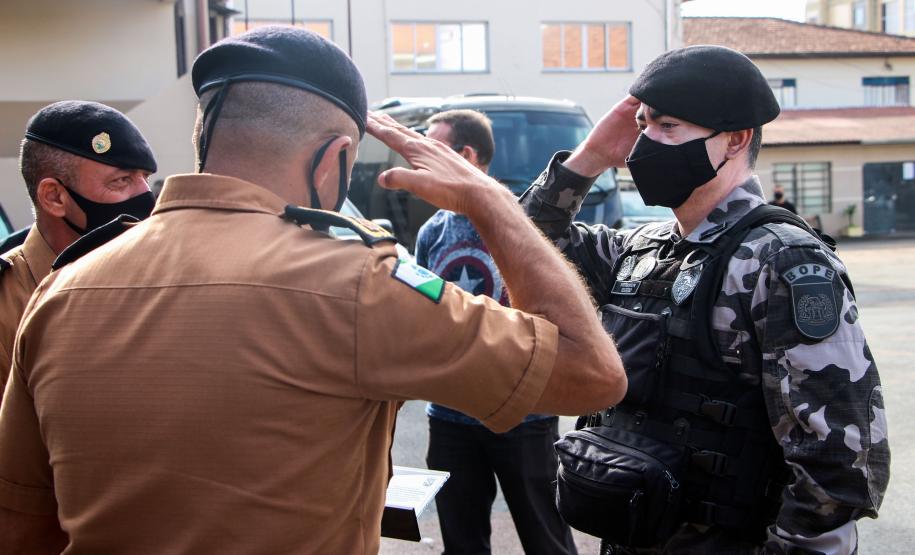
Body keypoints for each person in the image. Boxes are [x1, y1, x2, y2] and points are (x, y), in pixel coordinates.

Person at [0, 27, 626, 554]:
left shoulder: (59, 292)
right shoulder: (355, 284)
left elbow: (24, 523)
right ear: (335, 159)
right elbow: (592, 373)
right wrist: (491, 202)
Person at [520, 45, 889, 554]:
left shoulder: (780, 262)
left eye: (668, 126)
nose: (645, 142)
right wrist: (588, 158)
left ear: (735, 139)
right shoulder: (641, 249)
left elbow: (841, 462)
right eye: (643, 124)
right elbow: (526, 244)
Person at [416, 109, 577, 555]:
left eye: (430, 148)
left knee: (547, 539)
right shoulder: (431, 232)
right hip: (450, 420)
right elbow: (426, 314)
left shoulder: (518, 222)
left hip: (523, 417)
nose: (417, 162)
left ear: (466, 154)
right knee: (462, 543)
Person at [0, 101, 157, 390]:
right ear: (55, 197)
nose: (146, 197)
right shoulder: (7, 303)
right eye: (121, 180)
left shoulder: (156, 280)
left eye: (145, 179)